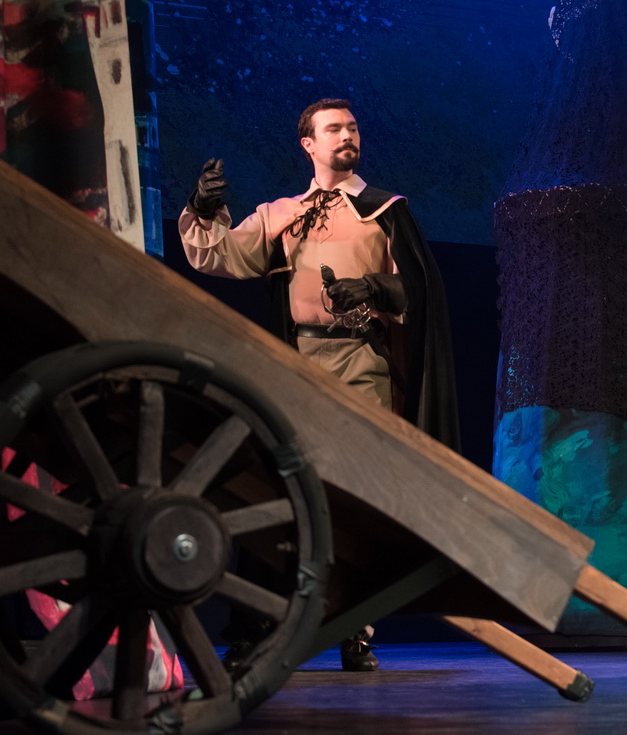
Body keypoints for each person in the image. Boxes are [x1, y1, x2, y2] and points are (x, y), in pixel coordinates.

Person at [178, 98, 460, 671]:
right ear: (309, 144)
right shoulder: (281, 214)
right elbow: (218, 255)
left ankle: (355, 627)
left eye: (352, 127)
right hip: (297, 364)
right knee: (278, 492)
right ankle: (256, 626)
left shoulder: (385, 211)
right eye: (334, 128)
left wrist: (375, 289)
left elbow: (421, 291)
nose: (347, 135)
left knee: (355, 496)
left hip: (361, 362)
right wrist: (204, 209)